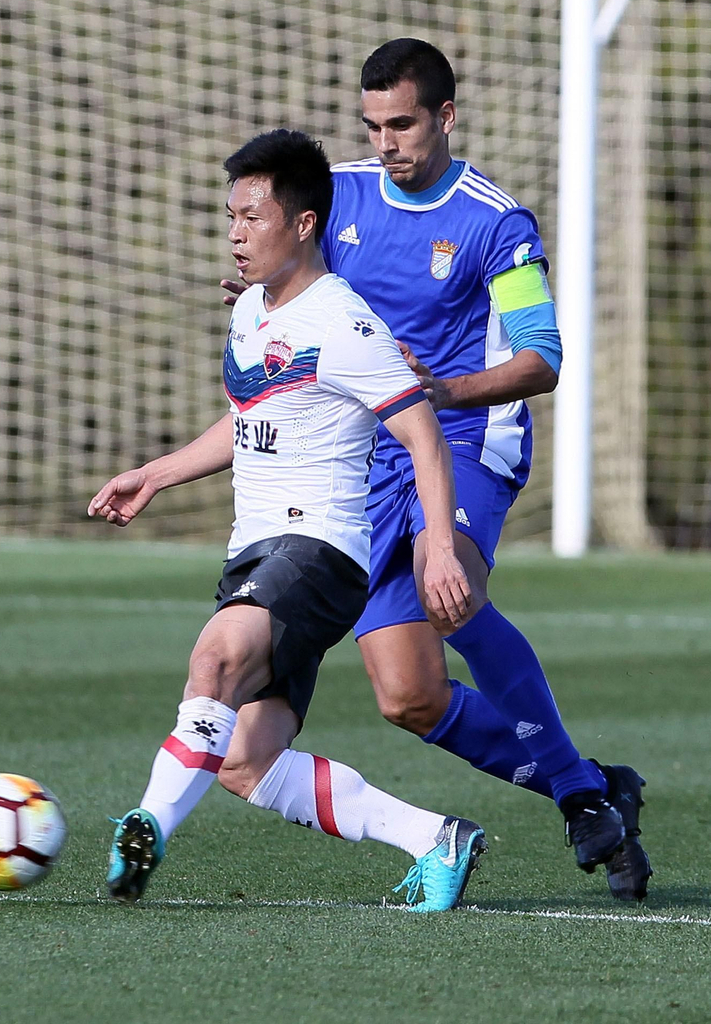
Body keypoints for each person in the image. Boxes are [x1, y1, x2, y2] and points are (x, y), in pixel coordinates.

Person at [223, 39, 652, 901]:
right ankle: (600, 788)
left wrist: (446, 387)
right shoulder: (335, 197)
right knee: (409, 699)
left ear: (446, 117)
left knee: (452, 592)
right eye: (373, 124)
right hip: (363, 453)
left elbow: (542, 358)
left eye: (404, 123)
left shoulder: (495, 222)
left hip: (465, 438)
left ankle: (576, 799)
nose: (387, 141)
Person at [89, 128, 485, 911]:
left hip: (319, 550)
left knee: (215, 658)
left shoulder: (343, 321)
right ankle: (435, 837)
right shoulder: (254, 312)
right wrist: (156, 475)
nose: (235, 233)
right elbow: (248, 418)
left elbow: (423, 437)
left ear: (303, 224)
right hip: (258, 553)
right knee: (244, 760)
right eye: (229, 216)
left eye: (252, 217)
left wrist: (439, 546)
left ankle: (143, 833)